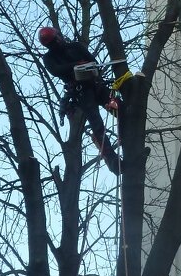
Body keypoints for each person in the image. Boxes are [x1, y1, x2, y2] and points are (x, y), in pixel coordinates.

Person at [38, 27, 121, 174]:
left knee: (119, 108)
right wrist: (75, 65)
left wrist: (85, 66)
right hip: (81, 93)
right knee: (97, 126)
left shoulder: (75, 47)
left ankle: (131, 136)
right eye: (53, 42)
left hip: (96, 85)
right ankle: (114, 162)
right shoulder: (49, 58)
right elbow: (56, 70)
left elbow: (93, 62)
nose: (57, 42)